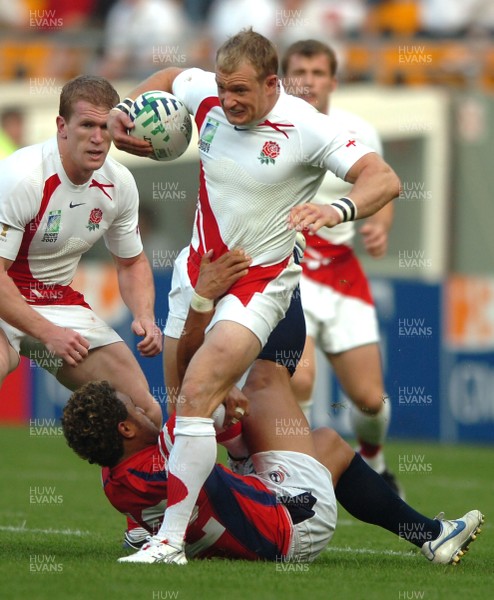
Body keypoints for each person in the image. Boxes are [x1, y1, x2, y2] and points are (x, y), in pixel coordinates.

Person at [107, 28, 401, 560]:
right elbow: (172, 79)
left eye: (241, 91)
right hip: (195, 275)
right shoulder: (209, 96)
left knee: (198, 391)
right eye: (224, 89)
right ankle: (170, 519)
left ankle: (171, 539)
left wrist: (338, 210)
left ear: (272, 84)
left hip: (259, 283)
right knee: (185, 408)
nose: (230, 101)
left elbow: (383, 178)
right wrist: (124, 110)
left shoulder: (308, 127)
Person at [61, 250, 484, 566]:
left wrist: (221, 406)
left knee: (328, 444)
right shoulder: (169, 446)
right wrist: (203, 301)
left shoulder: (115, 478)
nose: (143, 404)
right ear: (126, 431)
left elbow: (211, 435)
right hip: (291, 519)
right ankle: (287, 260)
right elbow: (189, 370)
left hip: (258, 511)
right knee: (266, 378)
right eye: (134, 408)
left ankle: (432, 535)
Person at [0, 74, 162, 427]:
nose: (97, 137)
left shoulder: (119, 184)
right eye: (87, 124)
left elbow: (131, 262)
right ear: (62, 126)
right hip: (5, 293)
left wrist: (145, 314)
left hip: (55, 299)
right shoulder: (23, 177)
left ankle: (128, 484)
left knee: (142, 412)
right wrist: (47, 333)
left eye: (106, 127)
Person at [281, 39, 400, 493]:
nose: (307, 80)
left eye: (316, 72)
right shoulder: (272, 126)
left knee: (370, 400)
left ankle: (376, 461)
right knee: (300, 377)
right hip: (292, 268)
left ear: (333, 80)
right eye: (298, 71)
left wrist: (381, 227)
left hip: (343, 271)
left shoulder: (358, 130)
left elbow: (384, 187)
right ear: (284, 78)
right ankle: (297, 479)